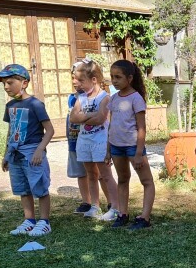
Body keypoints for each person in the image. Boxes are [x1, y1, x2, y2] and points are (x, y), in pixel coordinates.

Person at [0, 64, 54, 237]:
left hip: (32, 152)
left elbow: (49, 130)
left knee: (40, 186)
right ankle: (29, 220)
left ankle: (44, 221)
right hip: (15, 153)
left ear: (24, 83)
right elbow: (11, 130)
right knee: (22, 188)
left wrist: (39, 150)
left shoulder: (35, 104)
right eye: (4, 83)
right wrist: (6, 154)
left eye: (10, 82)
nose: (6, 87)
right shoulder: (10, 106)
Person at [107, 60, 155, 230]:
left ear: (129, 77)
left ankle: (145, 217)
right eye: (112, 77)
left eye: (118, 77)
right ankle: (122, 214)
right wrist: (108, 150)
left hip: (133, 147)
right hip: (116, 147)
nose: (114, 80)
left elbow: (141, 127)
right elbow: (111, 125)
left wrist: (139, 152)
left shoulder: (136, 99)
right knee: (122, 179)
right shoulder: (113, 99)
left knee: (147, 181)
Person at [70, 58, 118, 222]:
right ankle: (95, 206)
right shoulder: (81, 98)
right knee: (91, 174)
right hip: (84, 141)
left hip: (100, 141)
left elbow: (100, 118)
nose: (78, 83)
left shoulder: (105, 98)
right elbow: (73, 117)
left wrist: (82, 118)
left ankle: (115, 206)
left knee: (105, 174)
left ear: (94, 79)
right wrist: (89, 116)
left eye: (82, 80)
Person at [66, 69, 92, 215]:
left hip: (91, 140)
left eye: (78, 79)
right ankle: (86, 201)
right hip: (74, 141)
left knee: (97, 173)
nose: (74, 82)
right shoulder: (71, 98)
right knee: (80, 173)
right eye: (73, 78)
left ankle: (109, 202)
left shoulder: (94, 98)